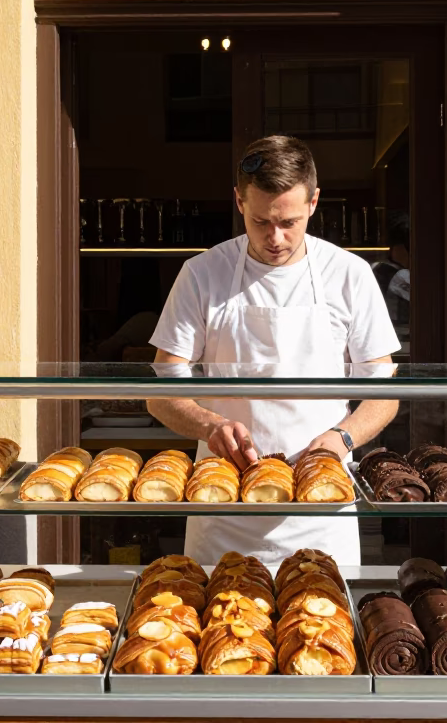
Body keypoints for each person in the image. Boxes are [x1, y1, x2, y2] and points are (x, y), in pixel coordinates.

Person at [147, 135, 400, 566]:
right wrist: (209, 425)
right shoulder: (202, 274)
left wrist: (342, 438)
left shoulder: (349, 274)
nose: (275, 237)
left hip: (320, 508)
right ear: (239, 201)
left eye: (289, 222)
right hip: (223, 505)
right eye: (261, 221)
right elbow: (160, 393)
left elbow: (385, 393)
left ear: (314, 202)